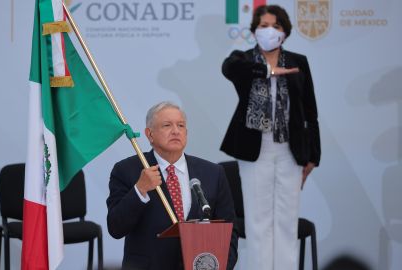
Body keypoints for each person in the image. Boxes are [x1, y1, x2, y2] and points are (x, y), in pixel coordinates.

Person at [220, 4, 321, 270]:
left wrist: (313, 157)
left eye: (275, 26)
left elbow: (311, 112)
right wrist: (268, 71)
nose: (269, 31)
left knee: (286, 220)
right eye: (263, 26)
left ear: (285, 33)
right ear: (254, 31)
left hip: (291, 150)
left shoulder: (299, 62)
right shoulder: (243, 60)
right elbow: (228, 69)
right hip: (255, 150)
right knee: (258, 220)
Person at [107, 101, 238, 270]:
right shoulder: (127, 170)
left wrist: (220, 266)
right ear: (150, 134)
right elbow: (116, 227)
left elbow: (229, 231)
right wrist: (140, 190)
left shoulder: (213, 173)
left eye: (181, 125)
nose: (176, 131)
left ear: (186, 133)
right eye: (167, 125)